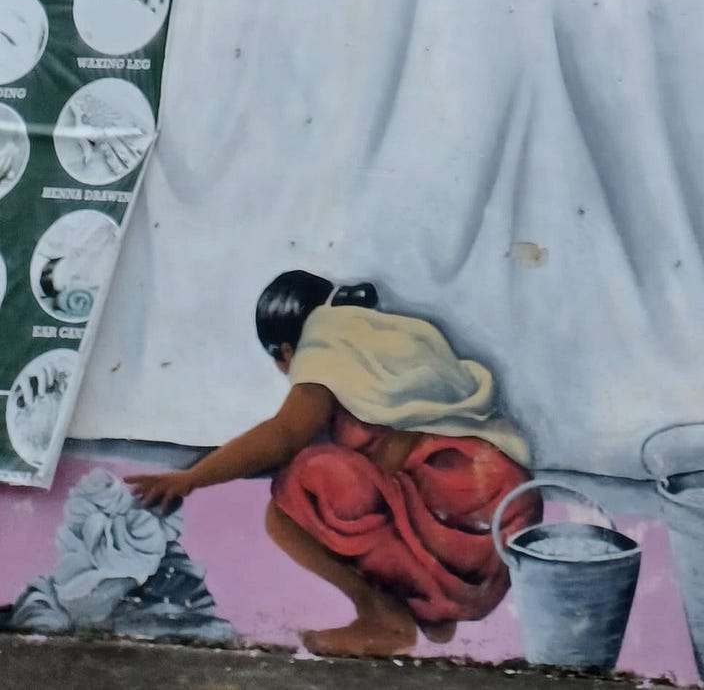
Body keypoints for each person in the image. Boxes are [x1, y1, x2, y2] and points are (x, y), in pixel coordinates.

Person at [130, 271, 537, 661]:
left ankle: (382, 618)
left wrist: (192, 478)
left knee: (300, 485)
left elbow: (284, 435)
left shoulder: (323, 344)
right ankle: (431, 607)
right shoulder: (387, 337)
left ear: (285, 351)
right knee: (357, 484)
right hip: (502, 516)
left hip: (459, 502)